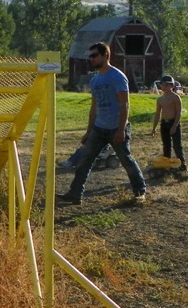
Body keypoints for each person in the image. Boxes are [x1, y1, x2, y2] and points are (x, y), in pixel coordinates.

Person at [57, 42, 146, 205]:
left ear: (105, 55)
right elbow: (94, 107)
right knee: (85, 160)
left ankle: (140, 192)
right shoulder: (95, 80)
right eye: (90, 56)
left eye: (94, 55)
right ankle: (75, 194)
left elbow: (125, 104)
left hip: (116, 127)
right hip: (99, 128)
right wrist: (89, 131)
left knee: (126, 159)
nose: (91, 59)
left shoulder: (117, 76)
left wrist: (121, 130)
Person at [151, 75, 188, 172]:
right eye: (163, 85)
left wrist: (174, 126)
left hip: (173, 123)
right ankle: (167, 165)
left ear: (172, 86)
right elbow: (157, 114)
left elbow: (178, 113)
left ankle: (183, 166)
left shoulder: (176, 98)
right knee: (166, 146)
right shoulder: (160, 99)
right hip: (164, 124)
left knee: (177, 146)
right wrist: (154, 128)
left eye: (167, 85)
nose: (164, 87)